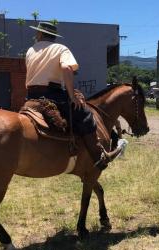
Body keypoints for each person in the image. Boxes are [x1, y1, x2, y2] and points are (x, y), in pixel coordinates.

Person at [25, 21, 122, 170]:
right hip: (52, 94)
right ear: (53, 36)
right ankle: (99, 157)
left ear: (39, 34)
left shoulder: (30, 50)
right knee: (86, 116)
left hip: (31, 96)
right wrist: (72, 95)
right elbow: (66, 68)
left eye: (36, 33)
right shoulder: (60, 48)